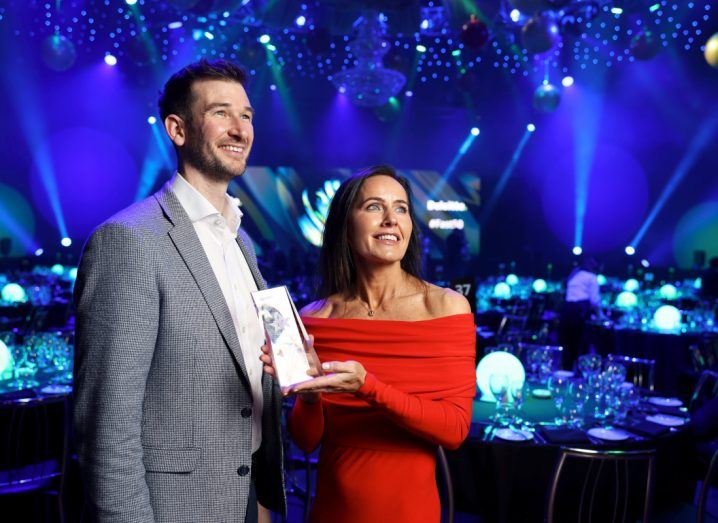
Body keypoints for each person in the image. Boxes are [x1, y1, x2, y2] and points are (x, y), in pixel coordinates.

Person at [73, 59, 285, 522]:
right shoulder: (129, 240)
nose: (239, 129)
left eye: (247, 115)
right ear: (178, 129)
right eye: (220, 113)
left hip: (246, 495)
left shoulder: (240, 240)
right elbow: (106, 422)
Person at [262, 165, 476, 522]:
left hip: (409, 511)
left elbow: (453, 431)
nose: (391, 219)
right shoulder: (315, 318)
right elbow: (306, 440)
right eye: (375, 207)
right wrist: (309, 393)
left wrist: (368, 386)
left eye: (402, 208)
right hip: (333, 510)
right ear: (346, 226)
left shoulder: (445, 307)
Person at [558, 256, 601, 369]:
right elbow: (594, 300)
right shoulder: (592, 277)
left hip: (566, 311)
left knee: (567, 345)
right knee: (580, 346)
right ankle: (580, 374)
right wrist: (601, 316)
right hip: (580, 312)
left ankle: (566, 371)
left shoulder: (574, 275)